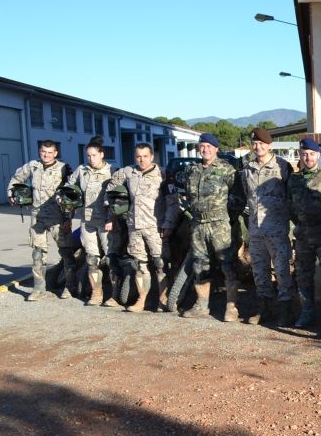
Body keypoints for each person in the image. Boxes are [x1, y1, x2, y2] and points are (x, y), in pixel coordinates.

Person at [164, 133, 241, 321]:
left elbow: (238, 197)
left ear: (216, 149)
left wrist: (228, 218)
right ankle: (201, 305)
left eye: (209, 146)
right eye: (202, 145)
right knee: (200, 265)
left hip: (220, 225)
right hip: (198, 225)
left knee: (227, 265)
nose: (205, 149)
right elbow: (188, 197)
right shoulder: (192, 170)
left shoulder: (227, 170)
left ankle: (231, 307)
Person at [7, 139, 75, 301]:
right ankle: (38, 288)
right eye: (43, 151)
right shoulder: (32, 166)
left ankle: (70, 286)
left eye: (50, 152)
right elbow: (16, 178)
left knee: (66, 253)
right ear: (39, 151)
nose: (46, 155)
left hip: (58, 217)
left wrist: (69, 217)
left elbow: (71, 194)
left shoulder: (64, 169)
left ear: (56, 153)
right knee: (38, 254)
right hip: (38, 216)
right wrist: (12, 193)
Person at [240, 127, 294, 326]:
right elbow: (248, 195)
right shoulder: (248, 168)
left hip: (277, 229)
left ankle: (286, 309)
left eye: (262, 143)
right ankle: (264, 308)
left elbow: (291, 195)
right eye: (254, 143)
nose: (258, 147)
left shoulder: (282, 166)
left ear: (269, 145)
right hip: (256, 230)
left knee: (281, 269)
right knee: (259, 270)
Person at [287, 137, 321, 329]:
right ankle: (307, 313)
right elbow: (290, 206)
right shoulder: (293, 180)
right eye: (304, 154)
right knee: (303, 276)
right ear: (300, 156)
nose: (308, 158)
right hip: (302, 235)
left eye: (311, 154)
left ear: (318, 155)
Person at [107, 143, 167, 312]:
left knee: (160, 263)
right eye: (138, 156)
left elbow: (172, 200)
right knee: (139, 264)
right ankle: (142, 300)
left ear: (152, 157)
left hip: (155, 226)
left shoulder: (161, 174)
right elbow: (111, 187)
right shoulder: (128, 172)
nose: (141, 160)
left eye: (145, 156)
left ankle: (163, 299)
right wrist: (117, 205)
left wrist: (168, 223)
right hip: (134, 226)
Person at [67, 137, 115, 306]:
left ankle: (114, 294)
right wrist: (63, 197)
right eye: (88, 156)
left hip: (106, 222)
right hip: (87, 222)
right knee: (91, 259)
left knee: (111, 259)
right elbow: (69, 186)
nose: (91, 159)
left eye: (94, 155)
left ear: (102, 154)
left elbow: (119, 197)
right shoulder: (82, 171)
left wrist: (112, 218)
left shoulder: (112, 172)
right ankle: (96, 293)